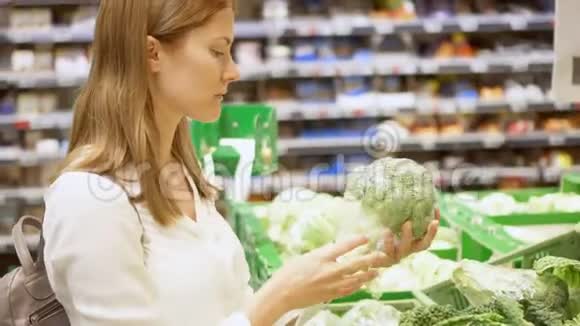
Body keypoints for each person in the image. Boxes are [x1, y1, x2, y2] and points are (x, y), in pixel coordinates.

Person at [42, 1, 440, 325]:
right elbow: (251, 315)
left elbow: (233, 314)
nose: (233, 71)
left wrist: (362, 261)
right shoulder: (89, 201)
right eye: (217, 51)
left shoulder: (182, 175)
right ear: (152, 53)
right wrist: (275, 297)